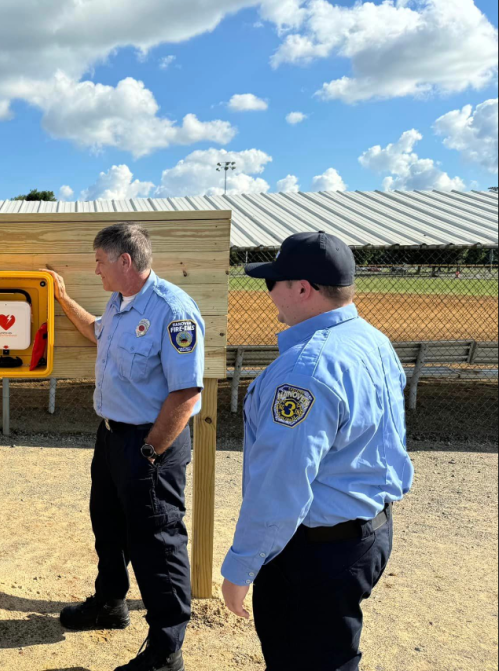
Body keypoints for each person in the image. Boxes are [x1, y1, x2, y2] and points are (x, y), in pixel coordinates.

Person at [220, 231, 414, 671]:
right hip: (369, 530)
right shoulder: (373, 340)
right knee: (334, 652)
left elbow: (281, 483)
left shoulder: (305, 369)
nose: (269, 294)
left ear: (303, 288)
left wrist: (241, 567)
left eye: (273, 283)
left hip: (317, 552)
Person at [45, 222, 205, 671]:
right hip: (112, 435)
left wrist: (151, 452)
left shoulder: (173, 310)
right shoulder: (119, 303)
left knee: (156, 543)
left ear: (124, 261)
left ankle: (165, 650)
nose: (95, 270)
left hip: (151, 442)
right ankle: (110, 603)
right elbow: (97, 331)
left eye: (99, 261)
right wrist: (60, 299)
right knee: (108, 524)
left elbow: (187, 393)